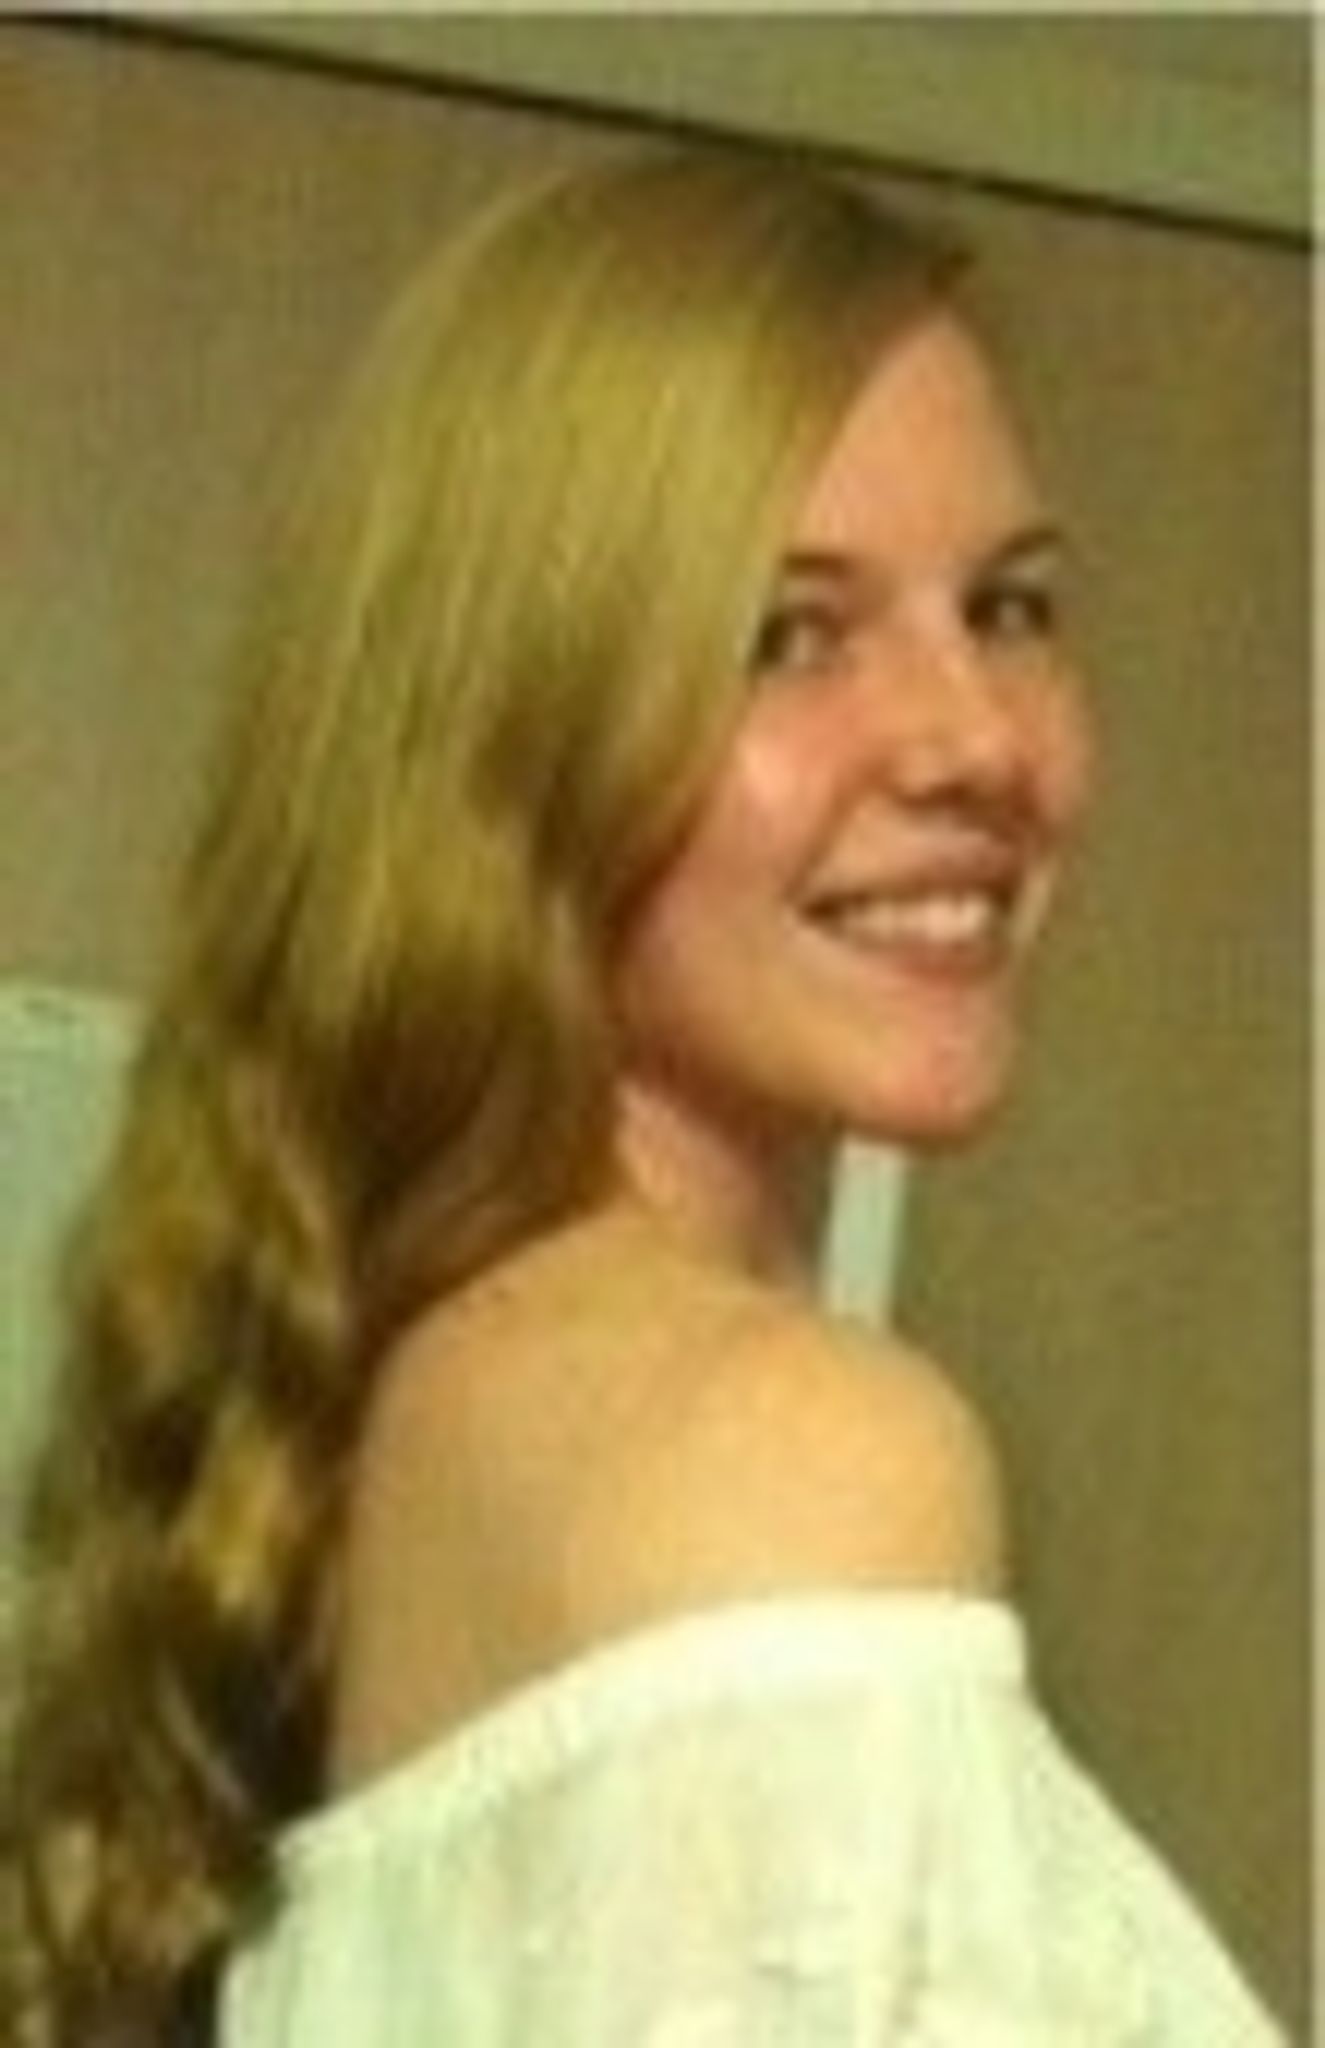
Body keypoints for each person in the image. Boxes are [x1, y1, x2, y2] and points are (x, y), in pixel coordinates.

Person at [0, 143, 1283, 2044]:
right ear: (512, 736)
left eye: (1009, 607)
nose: (973, 740)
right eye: (789, 635)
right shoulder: (782, 1456)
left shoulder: (395, 1415)